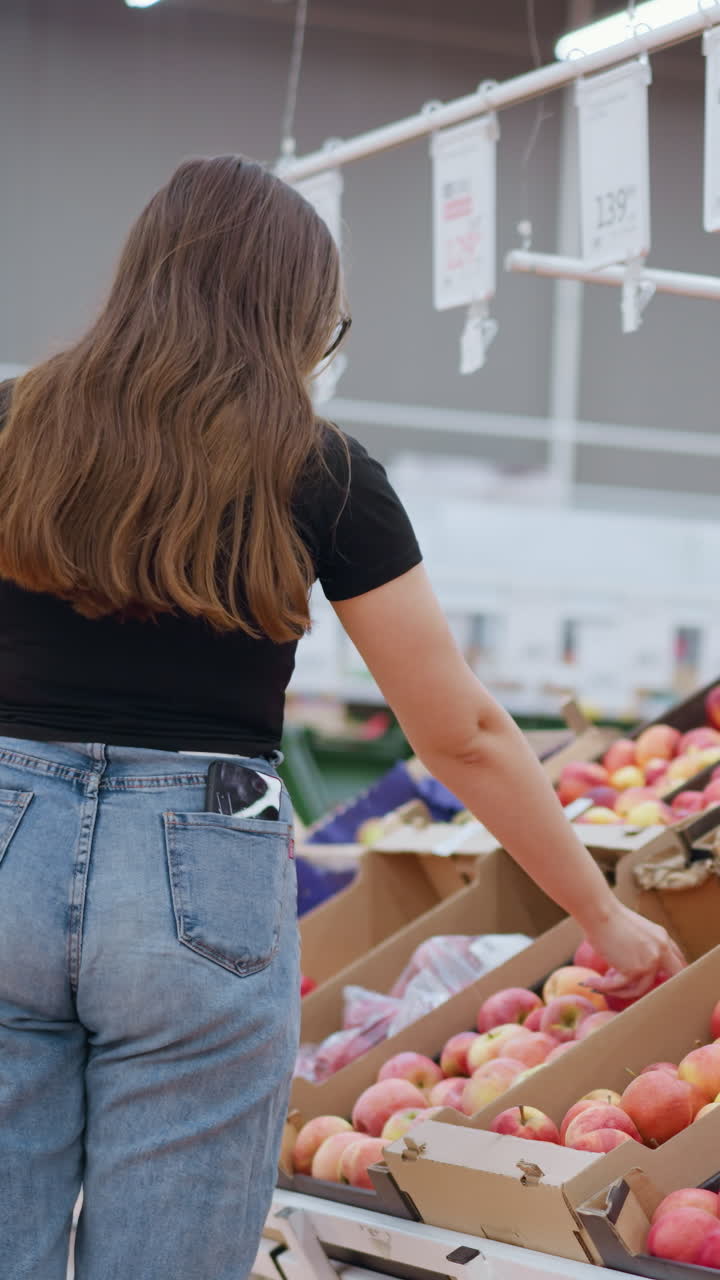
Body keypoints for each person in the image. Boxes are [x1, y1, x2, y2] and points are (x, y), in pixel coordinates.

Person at [0, 155, 683, 1280]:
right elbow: (458, 730)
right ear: (297, 315)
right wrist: (599, 911)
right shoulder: (320, 470)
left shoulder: (19, 421)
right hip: (201, 870)